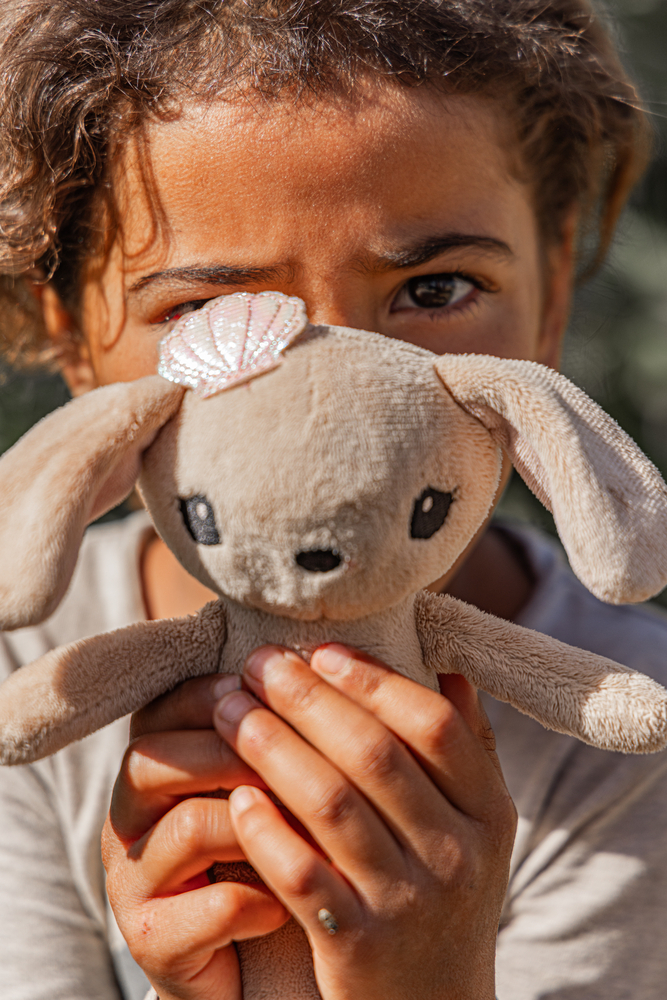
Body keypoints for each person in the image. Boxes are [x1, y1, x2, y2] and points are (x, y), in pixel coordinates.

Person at [1, 1, 667, 998]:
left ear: (552, 296)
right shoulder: (32, 684)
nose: (333, 395)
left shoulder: (626, 747)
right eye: (213, 312)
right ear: (75, 341)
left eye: (435, 290)